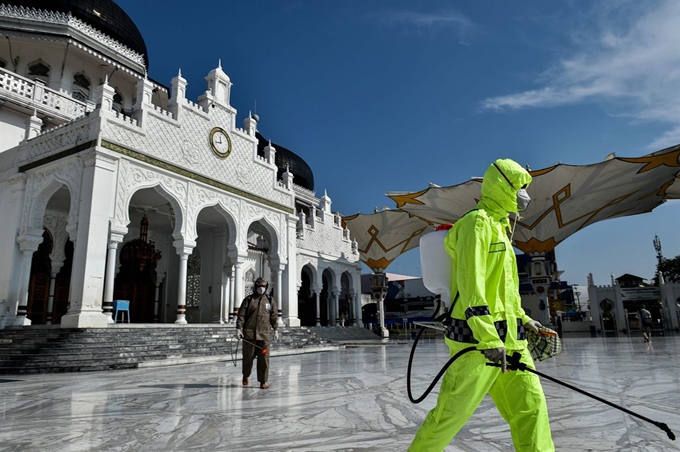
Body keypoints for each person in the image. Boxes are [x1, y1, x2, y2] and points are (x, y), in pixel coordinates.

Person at [409, 159, 554, 452]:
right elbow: (471, 282)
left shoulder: (502, 229)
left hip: (513, 339)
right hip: (477, 343)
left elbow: (504, 288)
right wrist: (487, 336)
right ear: (503, 186)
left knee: (531, 407)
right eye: (520, 187)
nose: (524, 195)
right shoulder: (476, 224)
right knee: (450, 415)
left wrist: (525, 319)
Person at [236, 277, 279, 389]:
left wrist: (276, 330)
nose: (261, 288)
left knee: (264, 358)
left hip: (264, 335)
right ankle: (246, 375)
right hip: (249, 334)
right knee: (248, 357)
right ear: (255, 287)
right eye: (259, 286)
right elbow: (241, 315)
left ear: (266, 287)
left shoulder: (269, 300)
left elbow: (274, 315)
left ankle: (263, 381)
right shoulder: (249, 300)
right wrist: (238, 328)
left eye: (263, 286)